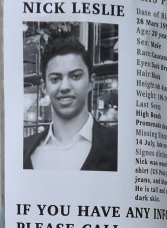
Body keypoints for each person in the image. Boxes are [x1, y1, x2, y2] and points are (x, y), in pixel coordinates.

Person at [23, 34, 118, 172]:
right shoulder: (23, 150)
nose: (65, 87)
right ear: (44, 87)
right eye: (55, 79)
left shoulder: (118, 145)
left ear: (91, 82)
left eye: (75, 76)